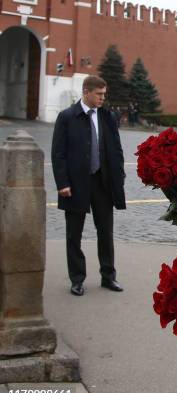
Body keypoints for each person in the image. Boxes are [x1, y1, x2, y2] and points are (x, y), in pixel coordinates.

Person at [51, 75, 126, 296]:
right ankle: (77, 279)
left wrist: (118, 175)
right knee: (74, 234)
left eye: (104, 94)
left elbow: (116, 149)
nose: (103, 98)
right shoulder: (67, 117)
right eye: (99, 94)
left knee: (106, 232)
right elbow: (58, 153)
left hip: (102, 183)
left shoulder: (107, 117)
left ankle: (108, 276)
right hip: (75, 184)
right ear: (86, 92)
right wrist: (62, 183)